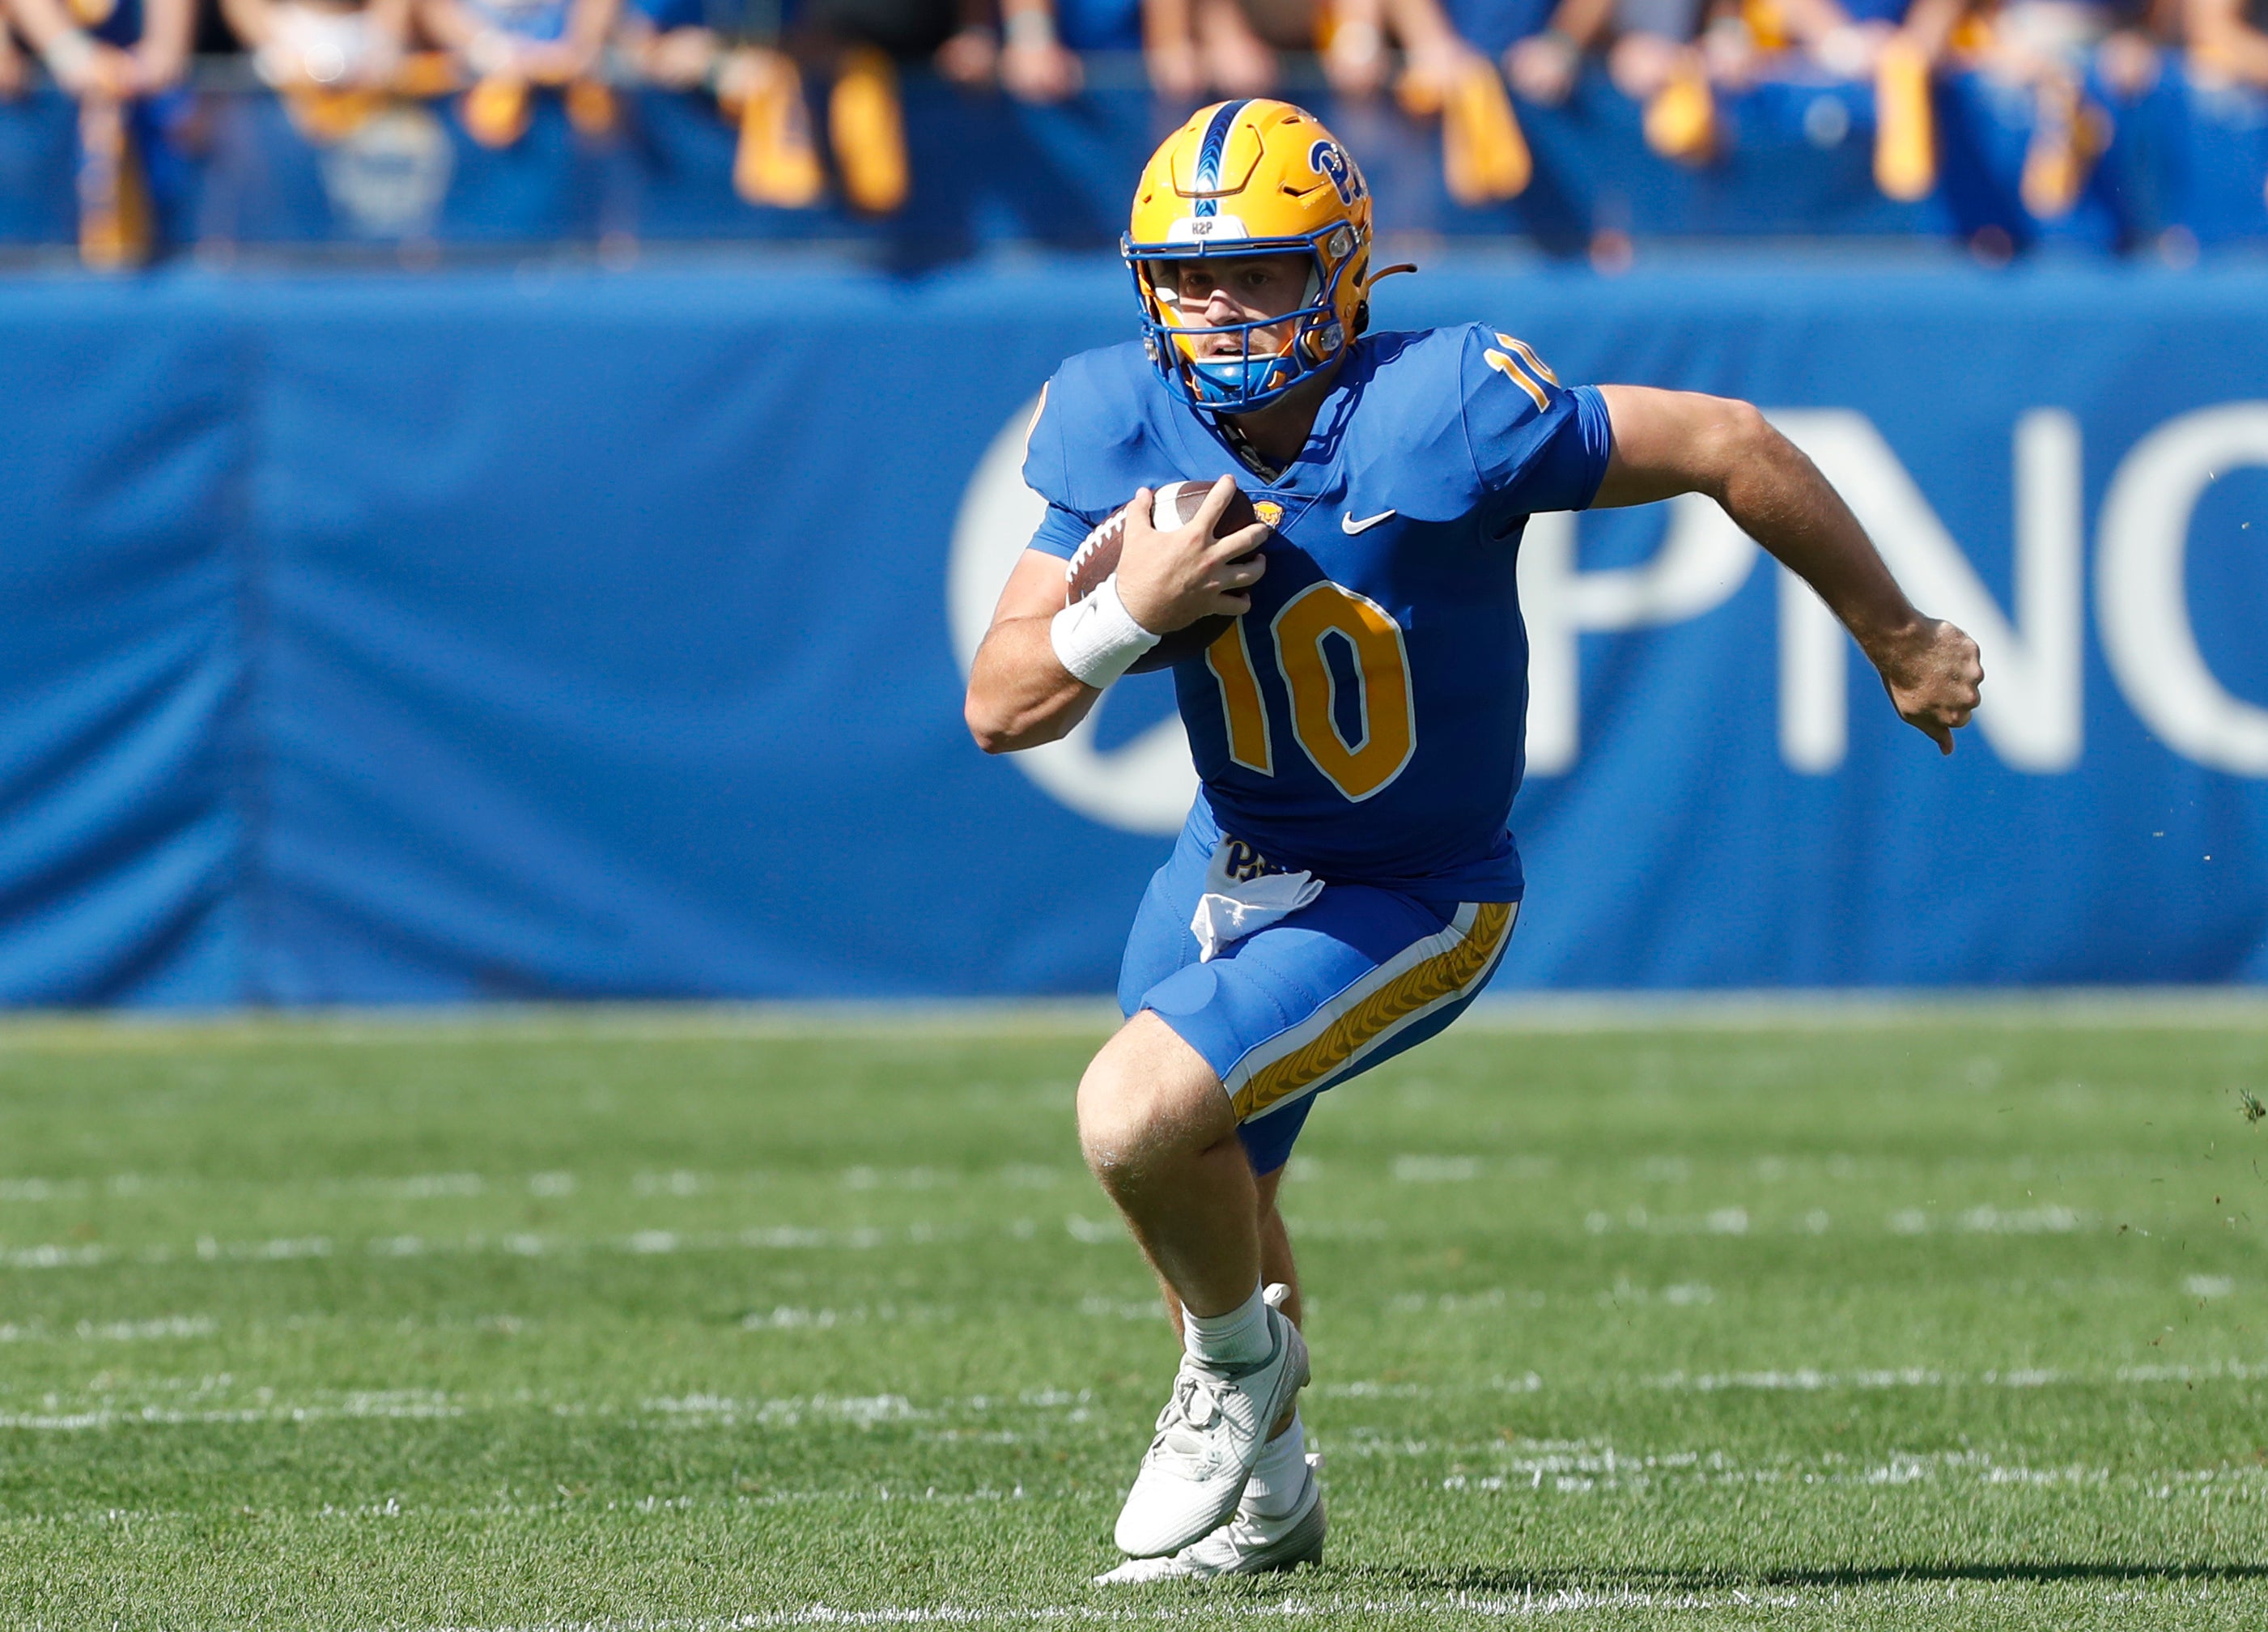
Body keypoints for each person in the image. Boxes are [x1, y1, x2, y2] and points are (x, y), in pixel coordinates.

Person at [963, 98, 1982, 1581]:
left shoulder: (1442, 404)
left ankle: (1237, 1379)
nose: (1216, 308)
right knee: (1206, 1179)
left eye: (1256, 272)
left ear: (1344, 269)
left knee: (1131, 1116)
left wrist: (1893, 639)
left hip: (1411, 888)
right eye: (1188, 278)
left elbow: (1728, 440)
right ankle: (1276, 1484)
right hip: (1222, 859)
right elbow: (1002, 702)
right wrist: (1131, 611)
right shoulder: (1117, 415)